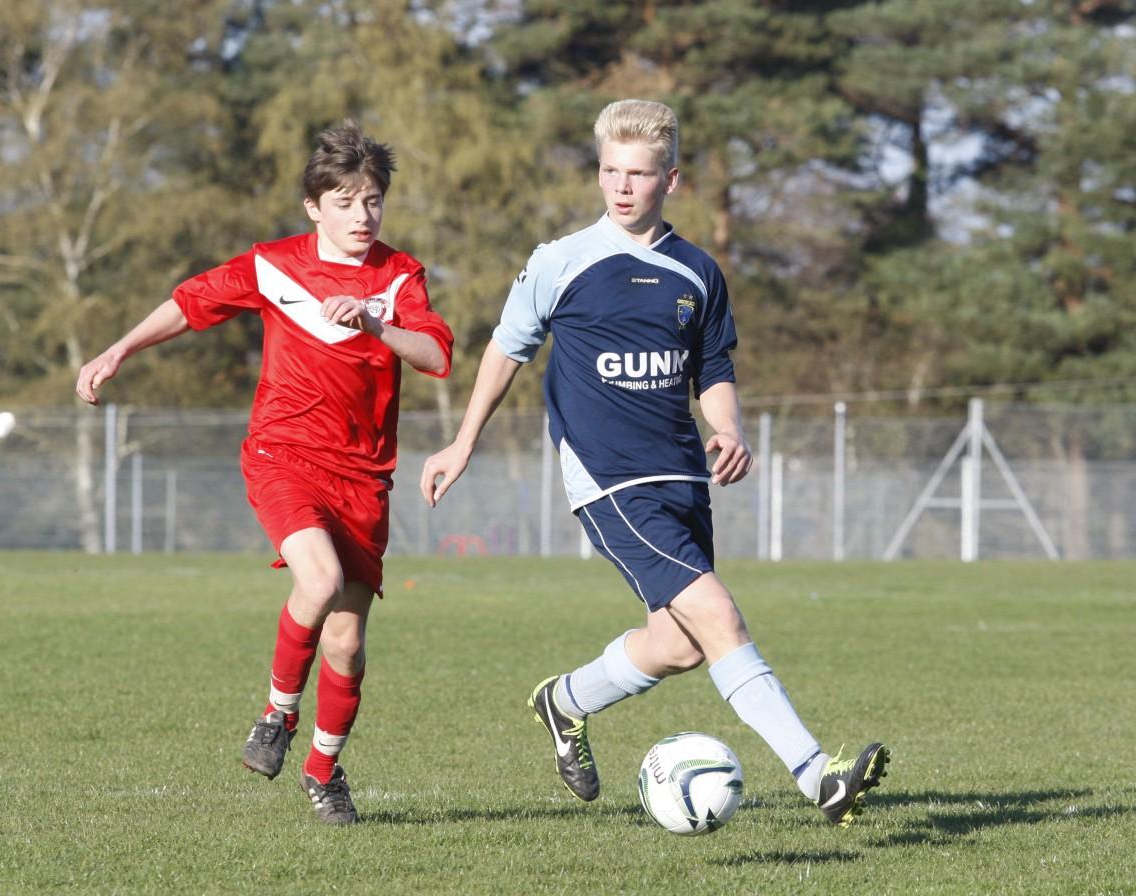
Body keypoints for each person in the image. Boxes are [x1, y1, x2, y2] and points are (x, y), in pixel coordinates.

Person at [420, 99, 888, 827]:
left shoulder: (697, 270)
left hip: (683, 474)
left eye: (639, 173)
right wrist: (463, 442)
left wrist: (726, 429)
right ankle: (816, 775)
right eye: (611, 170)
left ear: (671, 178)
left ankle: (564, 701)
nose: (622, 185)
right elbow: (507, 349)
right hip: (608, 479)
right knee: (717, 611)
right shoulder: (560, 260)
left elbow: (715, 367)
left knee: (678, 645)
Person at [76, 120, 454, 826]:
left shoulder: (400, 276)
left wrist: (376, 325)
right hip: (284, 455)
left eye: (372, 200)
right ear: (314, 207)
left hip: (364, 477)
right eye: (344, 202)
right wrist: (116, 351)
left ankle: (322, 769)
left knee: (345, 639)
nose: (361, 216)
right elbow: (189, 304)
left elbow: (434, 356)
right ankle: (277, 713)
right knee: (319, 580)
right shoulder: (274, 265)